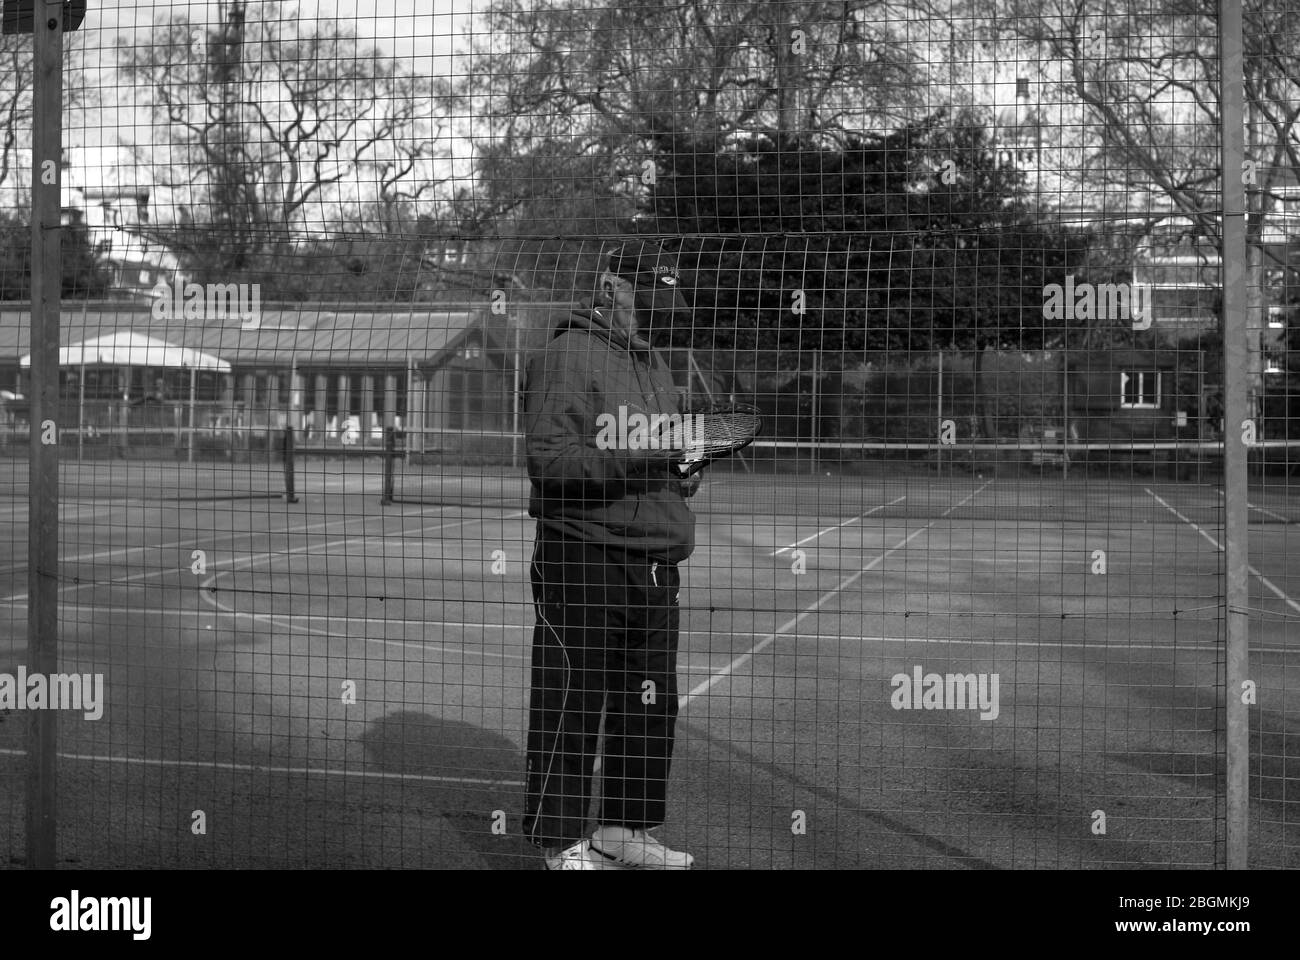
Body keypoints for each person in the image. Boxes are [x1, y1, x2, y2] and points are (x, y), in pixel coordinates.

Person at [522, 240, 703, 870]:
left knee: (649, 700)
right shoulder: (565, 354)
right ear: (609, 286)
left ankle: (625, 830)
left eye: (663, 303)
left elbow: (656, 459)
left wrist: (683, 472)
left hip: (656, 560)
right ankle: (562, 841)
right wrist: (650, 454)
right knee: (573, 695)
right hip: (584, 554)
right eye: (644, 298)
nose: (654, 314)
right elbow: (548, 462)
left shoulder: (655, 365)